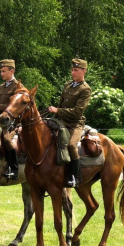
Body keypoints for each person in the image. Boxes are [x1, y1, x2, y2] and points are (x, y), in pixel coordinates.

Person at [48, 58, 91, 188]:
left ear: (84, 71)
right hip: (61, 121)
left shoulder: (85, 89)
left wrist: (58, 110)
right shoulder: (67, 85)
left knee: (71, 145)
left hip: (74, 123)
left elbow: (77, 112)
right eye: (72, 70)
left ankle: (75, 177)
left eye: (76, 70)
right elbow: (60, 104)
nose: (73, 72)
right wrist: (53, 117)